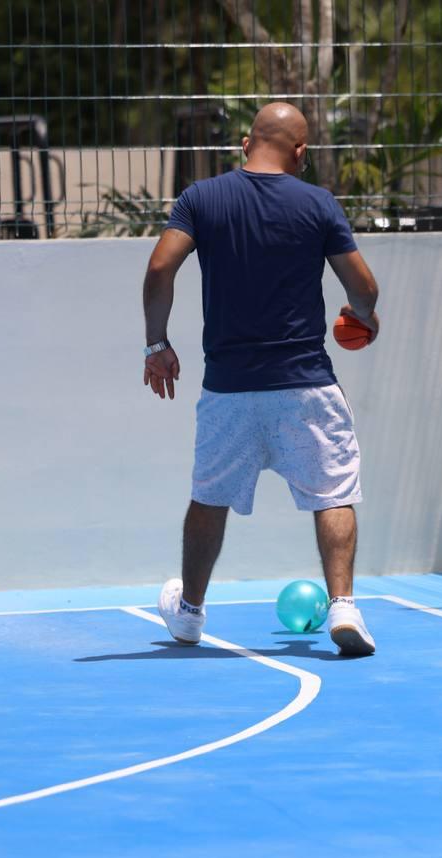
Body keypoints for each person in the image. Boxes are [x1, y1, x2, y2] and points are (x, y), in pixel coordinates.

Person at [140, 102, 380, 656]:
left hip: (230, 386)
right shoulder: (318, 203)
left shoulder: (201, 198)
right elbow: (363, 288)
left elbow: (159, 268)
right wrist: (363, 317)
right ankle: (344, 606)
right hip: (306, 383)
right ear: (301, 152)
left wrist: (157, 344)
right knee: (333, 495)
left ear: (246, 144)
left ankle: (190, 614)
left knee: (209, 498)